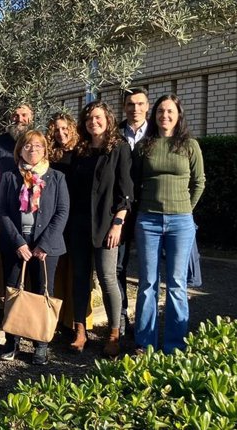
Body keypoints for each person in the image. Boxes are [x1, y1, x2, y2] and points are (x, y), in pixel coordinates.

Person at [134, 94, 205, 354]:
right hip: (148, 220)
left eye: (170, 111)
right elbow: (134, 182)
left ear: (178, 114)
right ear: (154, 115)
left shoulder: (189, 145)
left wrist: (186, 209)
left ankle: (175, 346)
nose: (165, 116)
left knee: (176, 284)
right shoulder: (145, 146)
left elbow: (199, 182)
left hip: (181, 223)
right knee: (147, 284)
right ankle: (145, 343)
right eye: (161, 111)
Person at [0, 130, 69, 365]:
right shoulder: (9, 177)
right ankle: (11, 341)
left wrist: (44, 244)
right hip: (15, 244)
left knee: (41, 292)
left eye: (38, 146)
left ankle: (40, 344)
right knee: (13, 291)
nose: (33, 150)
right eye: (27, 146)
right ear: (20, 150)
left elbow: (61, 212)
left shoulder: (56, 177)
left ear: (45, 150)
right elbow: (2, 211)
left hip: (45, 248)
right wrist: (18, 242)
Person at [68, 101, 133, 358]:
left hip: (107, 225)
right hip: (79, 224)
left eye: (97, 118)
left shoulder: (119, 148)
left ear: (107, 119)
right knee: (80, 278)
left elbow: (126, 191)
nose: (93, 122)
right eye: (88, 119)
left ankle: (114, 333)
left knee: (108, 278)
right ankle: (80, 331)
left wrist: (118, 223)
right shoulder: (80, 151)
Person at [46, 112, 92, 335]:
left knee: (77, 270)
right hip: (55, 219)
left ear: (72, 129)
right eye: (56, 129)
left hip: (78, 217)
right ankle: (55, 320)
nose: (61, 133)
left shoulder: (83, 153)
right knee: (57, 270)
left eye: (65, 128)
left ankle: (76, 321)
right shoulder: (50, 155)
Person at [0, 103, 34, 304]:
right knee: (0, 254)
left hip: (32, 210)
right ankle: (1, 300)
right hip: (2, 211)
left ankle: (28, 300)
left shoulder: (37, 142)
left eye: (23, 114)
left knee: (30, 253)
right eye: (15, 115)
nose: (19, 119)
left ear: (31, 117)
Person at [117, 87, 150, 336]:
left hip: (150, 208)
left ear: (147, 106)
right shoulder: (115, 134)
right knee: (119, 266)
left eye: (140, 104)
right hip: (121, 209)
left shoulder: (158, 134)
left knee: (148, 270)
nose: (135, 109)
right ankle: (121, 317)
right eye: (130, 104)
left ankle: (147, 322)